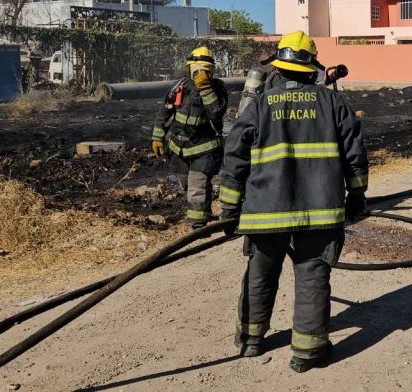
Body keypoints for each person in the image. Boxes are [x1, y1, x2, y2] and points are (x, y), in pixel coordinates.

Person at [218, 30, 368, 372]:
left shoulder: (259, 106)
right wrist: (357, 195)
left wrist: (229, 208)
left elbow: (235, 157)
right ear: (311, 69)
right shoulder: (334, 104)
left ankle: (251, 341)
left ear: (280, 69)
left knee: (260, 272)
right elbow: (355, 155)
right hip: (321, 211)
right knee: (313, 273)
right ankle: (308, 352)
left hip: (264, 210)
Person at [151, 46, 228, 229]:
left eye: (205, 70)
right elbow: (164, 113)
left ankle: (197, 225)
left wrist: (206, 90)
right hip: (180, 148)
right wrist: (157, 138)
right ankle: (204, 212)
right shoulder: (180, 86)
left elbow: (216, 114)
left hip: (205, 148)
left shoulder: (218, 88)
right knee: (187, 185)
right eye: (197, 70)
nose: (201, 74)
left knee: (196, 186)